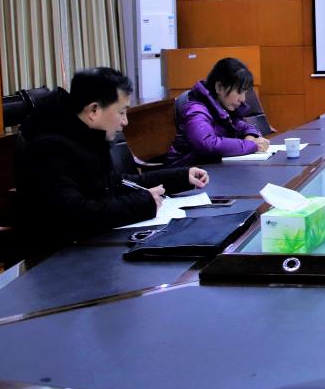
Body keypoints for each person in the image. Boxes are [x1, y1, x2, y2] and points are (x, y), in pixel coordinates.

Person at [16, 67, 208, 248]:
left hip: (95, 243)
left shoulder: (86, 138)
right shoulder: (49, 148)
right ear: (94, 110)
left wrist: (180, 177)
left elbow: (117, 182)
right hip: (62, 256)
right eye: (121, 112)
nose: (125, 122)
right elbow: (74, 213)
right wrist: (143, 204)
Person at [167, 57, 271, 166]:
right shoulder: (197, 110)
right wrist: (251, 145)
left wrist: (250, 136)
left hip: (210, 168)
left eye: (244, 92)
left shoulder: (223, 109)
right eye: (239, 91)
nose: (243, 99)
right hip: (186, 171)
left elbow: (245, 126)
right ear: (219, 87)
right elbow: (206, 144)